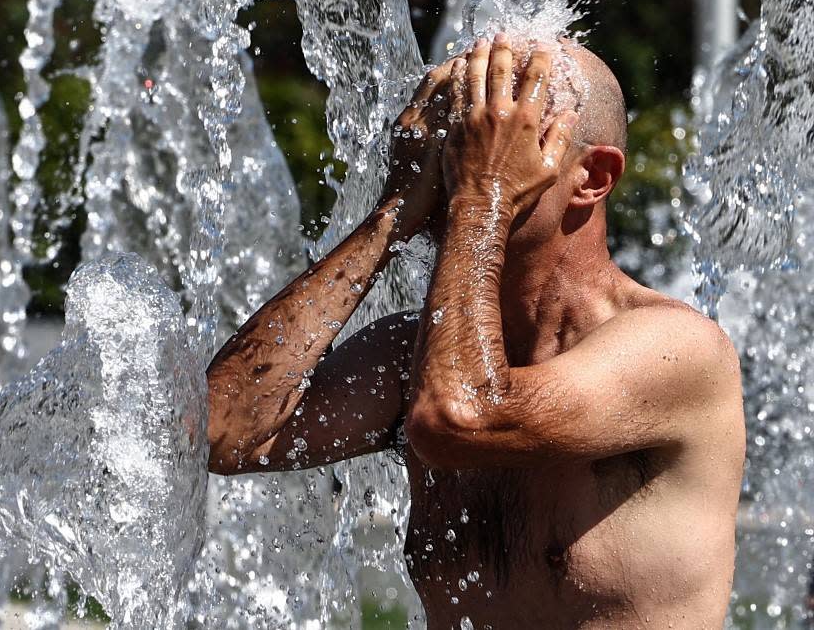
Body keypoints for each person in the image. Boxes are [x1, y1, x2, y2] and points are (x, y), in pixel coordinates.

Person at [206, 34, 744, 628]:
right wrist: (394, 212)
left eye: (490, 146)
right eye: (451, 147)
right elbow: (222, 430)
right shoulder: (418, 354)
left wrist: (483, 195)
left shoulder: (674, 352)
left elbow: (457, 418)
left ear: (591, 177)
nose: (459, 171)